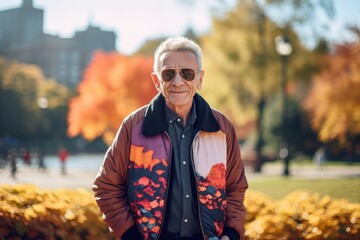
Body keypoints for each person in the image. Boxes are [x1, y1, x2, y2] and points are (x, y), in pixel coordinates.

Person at [93, 36, 248, 240]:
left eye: (187, 73)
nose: (177, 81)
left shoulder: (222, 128)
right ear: (157, 81)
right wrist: (130, 236)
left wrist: (230, 234)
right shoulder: (133, 126)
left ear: (199, 79)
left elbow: (235, 188)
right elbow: (106, 186)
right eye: (168, 74)